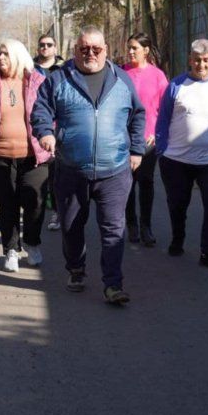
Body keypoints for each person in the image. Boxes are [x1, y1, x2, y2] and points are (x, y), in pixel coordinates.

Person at [31, 25, 145, 305]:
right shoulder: (58, 79)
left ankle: (113, 284)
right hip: (71, 169)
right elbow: (40, 110)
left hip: (114, 171)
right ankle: (76, 269)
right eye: (84, 49)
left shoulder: (122, 79)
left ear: (106, 50)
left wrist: (137, 150)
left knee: (113, 230)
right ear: (75, 51)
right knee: (71, 226)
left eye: (96, 49)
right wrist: (45, 132)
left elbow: (138, 114)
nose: (90, 54)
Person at [155, 39, 208, 270]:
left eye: (205, 60)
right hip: (176, 161)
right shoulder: (176, 86)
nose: (200, 65)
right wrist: (162, 151)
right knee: (177, 204)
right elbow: (162, 121)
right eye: (196, 60)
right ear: (189, 60)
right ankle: (178, 237)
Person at [0, 39, 52, 272]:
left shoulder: (37, 80)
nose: (1, 57)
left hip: (34, 155)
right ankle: (11, 249)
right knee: (7, 204)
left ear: (17, 55)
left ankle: (32, 242)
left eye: (6, 53)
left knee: (35, 201)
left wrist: (51, 136)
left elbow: (50, 111)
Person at [122, 32, 169, 246]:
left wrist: (157, 134)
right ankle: (131, 225)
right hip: (123, 139)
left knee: (146, 181)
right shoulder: (121, 73)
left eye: (135, 48)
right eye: (129, 47)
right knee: (127, 183)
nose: (131, 51)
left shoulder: (158, 76)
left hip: (149, 141)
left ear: (146, 50)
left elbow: (165, 110)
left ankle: (146, 226)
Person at [33, 35, 65, 231]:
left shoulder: (63, 71)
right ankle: (35, 210)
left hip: (57, 128)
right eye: (42, 45)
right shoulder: (29, 69)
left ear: (55, 48)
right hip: (35, 127)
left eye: (49, 45)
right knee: (38, 174)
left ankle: (56, 213)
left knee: (55, 175)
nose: (45, 48)